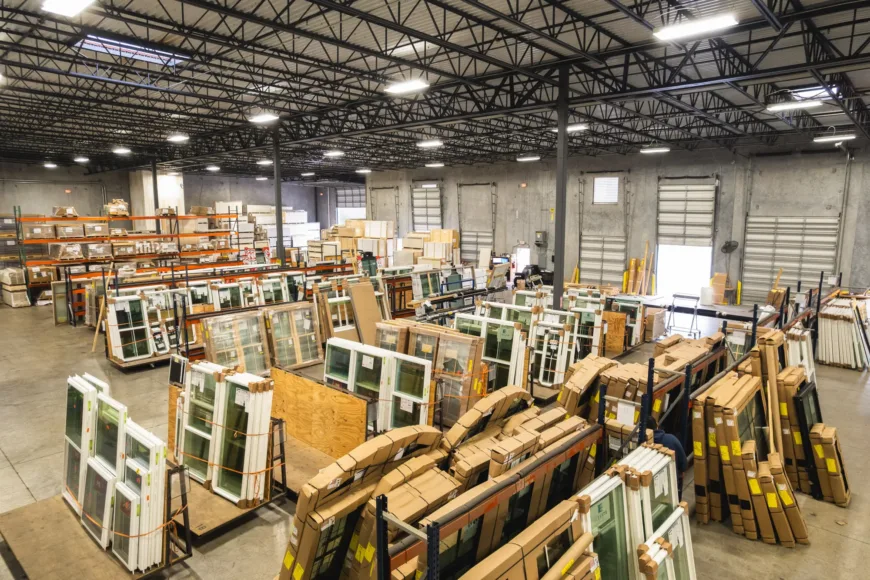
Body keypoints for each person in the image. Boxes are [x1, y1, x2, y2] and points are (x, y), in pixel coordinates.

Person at [646, 417, 687, 499]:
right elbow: (683, 465)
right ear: (657, 425)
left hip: (653, 491)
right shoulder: (672, 439)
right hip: (673, 486)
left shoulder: (643, 446)